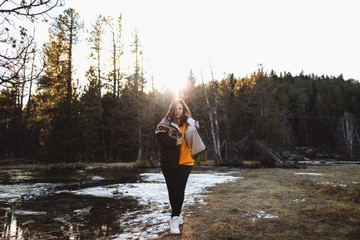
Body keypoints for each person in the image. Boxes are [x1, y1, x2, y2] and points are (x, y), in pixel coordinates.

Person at [155, 98, 205, 235]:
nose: (178, 111)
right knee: (171, 190)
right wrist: (174, 142)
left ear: (184, 110)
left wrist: (195, 127)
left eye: (180, 109)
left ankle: (174, 218)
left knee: (179, 189)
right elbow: (160, 139)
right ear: (172, 109)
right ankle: (178, 212)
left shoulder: (189, 123)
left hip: (186, 162)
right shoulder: (165, 123)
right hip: (168, 162)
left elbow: (193, 137)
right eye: (176, 108)